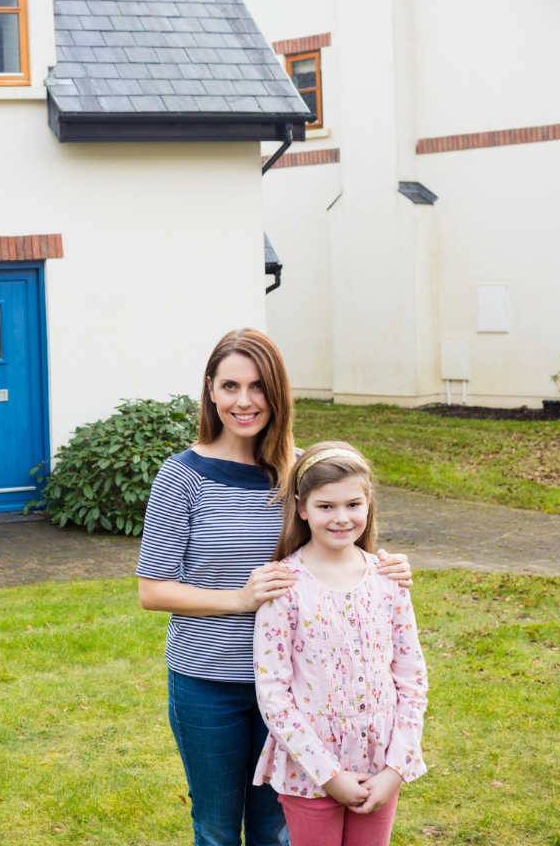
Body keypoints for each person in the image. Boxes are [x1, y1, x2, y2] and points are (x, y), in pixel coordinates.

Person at [137, 329, 413, 846]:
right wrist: (239, 600)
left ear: (279, 392)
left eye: (258, 386)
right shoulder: (182, 477)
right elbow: (152, 590)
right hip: (210, 683)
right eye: (231, 386)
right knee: (217, 829)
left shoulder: (300, 469)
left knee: (275, 829)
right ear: (211, 391)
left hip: (301, 693)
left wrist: (386, 565)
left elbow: (340, 533)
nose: (244, 401)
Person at [251, 442, 429, 846]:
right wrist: (329, 776)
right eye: (326, 507)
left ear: (368, 504)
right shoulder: (285, 586)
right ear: (302, 508)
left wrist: (396, 769)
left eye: (353, 504)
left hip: (381, 762)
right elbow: (273, 694)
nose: (342, 518)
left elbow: (412, 679)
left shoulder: (388, 580)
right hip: (310, 771)